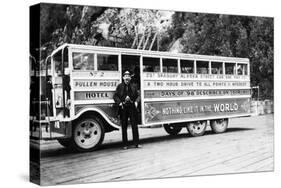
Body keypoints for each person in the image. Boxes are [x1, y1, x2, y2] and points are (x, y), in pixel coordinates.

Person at [113, 70, 142, 150]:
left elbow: (138, 95)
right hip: (123, 108)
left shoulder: (134, 86)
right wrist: (119, 103)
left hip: (132, 107)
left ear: (130, 78)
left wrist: (136, 102)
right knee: (124, 126)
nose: (127, 78)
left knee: (134, 125)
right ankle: (125, 144)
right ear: (123, 78)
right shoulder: (119, 86)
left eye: (128, 76)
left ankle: (136, 143)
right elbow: (115, 96)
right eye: (125, 76)